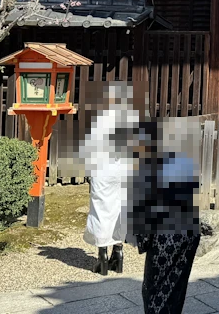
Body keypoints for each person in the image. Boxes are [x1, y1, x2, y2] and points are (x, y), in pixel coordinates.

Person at [127, 117, 201, 314]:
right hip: (188, 231)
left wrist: (142, 241)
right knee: (177, 285)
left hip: (164, 235)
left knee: (153, 289)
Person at [81, 82, 134, 275]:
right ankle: (118, 253)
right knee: (120, 210)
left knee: (102, 210)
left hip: (103, 170)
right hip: (124, 170)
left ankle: (102, 257)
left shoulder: (101, 120)